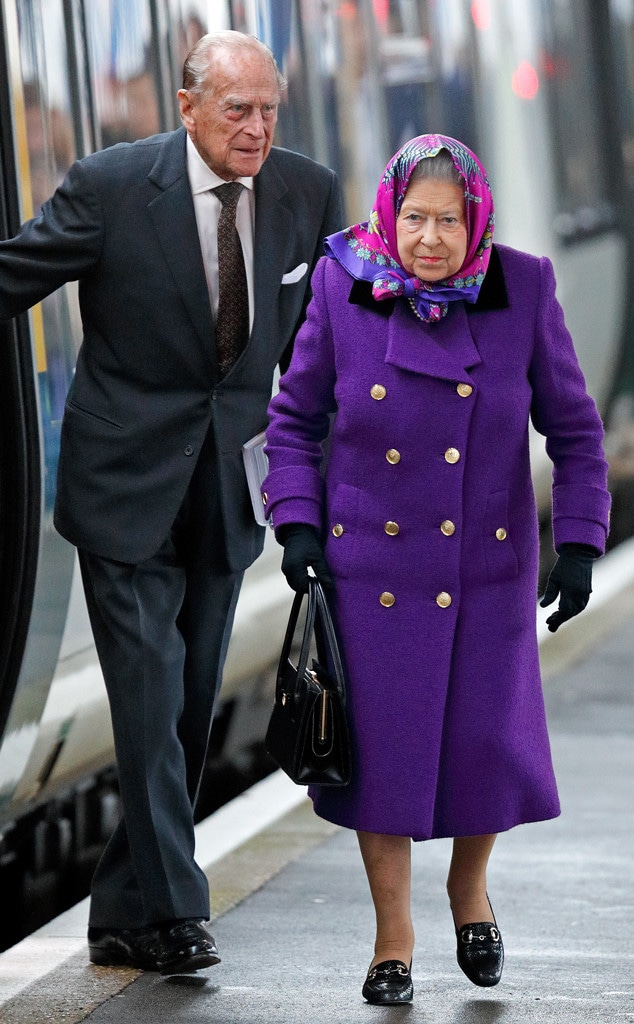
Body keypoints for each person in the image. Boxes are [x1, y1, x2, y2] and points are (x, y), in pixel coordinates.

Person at [0, 31, 342, 972]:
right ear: (186, 106)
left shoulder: (306, 194)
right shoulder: (111, 188)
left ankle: (122, 910)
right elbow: (11, 276)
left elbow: (327, 350)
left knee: (190, 705)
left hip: (229, 491)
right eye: (238, 109)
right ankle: (181, 913)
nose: (258, 127)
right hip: (122, 491)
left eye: (270, 108)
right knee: (150, 699)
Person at [261, 134, 610, 1004]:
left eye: (448, 222)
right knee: (381, 761)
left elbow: (574, 430)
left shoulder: (522, 286)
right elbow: (294, 421)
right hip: (370, 566)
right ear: (390, 215)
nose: (428, 239)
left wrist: (578, 542)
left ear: (476, 221)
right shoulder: (344, 286)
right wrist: (297, 523)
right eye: (414, 219)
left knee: (481, 749)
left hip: (487, 568)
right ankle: (393, 939)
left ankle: (469, 889)